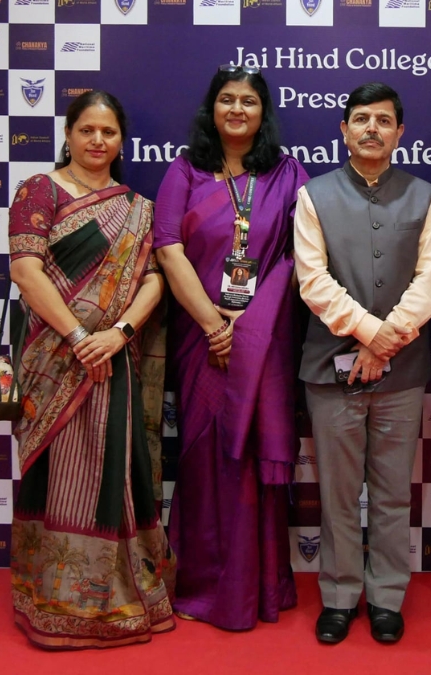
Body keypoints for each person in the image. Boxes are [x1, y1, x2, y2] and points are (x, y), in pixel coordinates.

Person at [8, 90, 174, 649]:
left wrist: (118, 333)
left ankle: (112, 594)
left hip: (112, 360)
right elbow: (26, 271)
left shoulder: (137, 208)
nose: (98, 141)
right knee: (58, 475)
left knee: (111, 473)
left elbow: (153, 279)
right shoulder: (40, 190)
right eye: (87, 130)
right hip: (54, 361)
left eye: (108, 132)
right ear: (68, 134)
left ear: (121, 140)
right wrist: (78, 337)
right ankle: (51, 596)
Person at [153, 65, 309, 630]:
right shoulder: (185, 170)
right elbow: (167, 248)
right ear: (211, 109)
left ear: (263, 113)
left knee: (250, 460)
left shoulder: (289, 173)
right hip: (200, 338)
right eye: (227, 99)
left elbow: (300, 255)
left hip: (264, 341)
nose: (237, 109)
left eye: (248, 101)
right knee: (205, 458)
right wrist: (213, 324)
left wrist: (249, 325)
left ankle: (258, 586)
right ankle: (202, 586)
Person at [294, 82, 431, 645]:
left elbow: (430, 282)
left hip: (402, 372)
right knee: (336, 493)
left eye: (383, 120)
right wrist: (369, 334)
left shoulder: (426, 196)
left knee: (391, 493)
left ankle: (386, 597)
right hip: (329, 370)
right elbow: (313, 280)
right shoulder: (313, 196)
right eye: (361, 119)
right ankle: (338, 596)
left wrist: (383, 343)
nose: (372, 129)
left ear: (400, 132)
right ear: (344, 130)